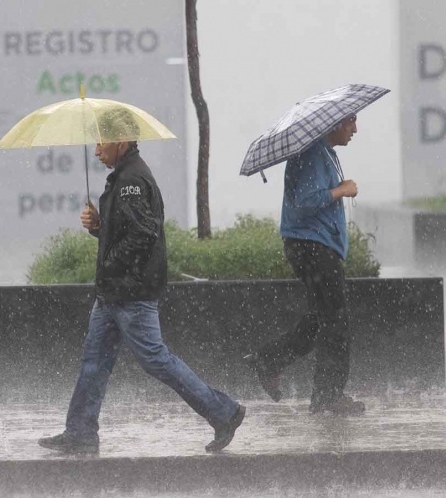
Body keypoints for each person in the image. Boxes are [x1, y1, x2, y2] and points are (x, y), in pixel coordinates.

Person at [38, 108, 245, 454]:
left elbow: (143, 235)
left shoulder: (132, 181)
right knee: (94, 361)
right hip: (114, 294)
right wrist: (99, 228)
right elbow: (130, 233)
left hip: (130, 294)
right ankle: (80, 433)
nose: (96, 149)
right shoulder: (123, 176)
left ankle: (224, 412)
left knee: (157, 360)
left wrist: (110, 263)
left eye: (101, 142)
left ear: (121, 142)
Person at [245, 115, 366, 416]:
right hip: (313, 246)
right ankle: (328, 396)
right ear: (334, 123)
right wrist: (342, 190)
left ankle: (269, 360)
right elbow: (306, 201)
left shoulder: (323, 153)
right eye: (350, 122)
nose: (355, 129)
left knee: (319, 319)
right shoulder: (312, 153)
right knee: (335, 321)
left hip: (314, 245)